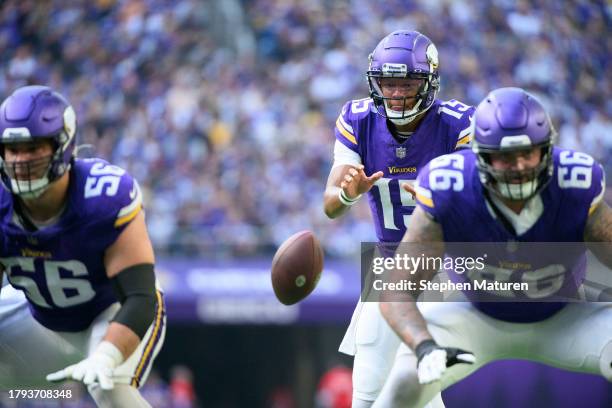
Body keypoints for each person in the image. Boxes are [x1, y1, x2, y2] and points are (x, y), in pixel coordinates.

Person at [375, 87, 612, 407]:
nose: (518, 166)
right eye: (504, 156)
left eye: (527, 152)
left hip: (565, 316)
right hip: (474, 317)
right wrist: (424, 346)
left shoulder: (576, 183)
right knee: (405, 380)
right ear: (481, 155)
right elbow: (395, 290)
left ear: (546, 150)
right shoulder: (449, 188)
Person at [323, 30, 474, 408]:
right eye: (387, 84)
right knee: (378, 389)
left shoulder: (458, 125)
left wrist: (441, 202)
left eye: (405, 83)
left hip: (443, 265)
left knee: (406, 384)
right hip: (388, 261)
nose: (394, 93)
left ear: (428, 82)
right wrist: (348, 193)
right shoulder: (358, 119)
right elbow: (330, 205)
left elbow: (481, 210)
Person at [0, 85, 166, 407]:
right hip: (41, 318)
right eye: (12, 149)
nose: (20, 160)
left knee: (107, 387)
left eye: (32, 147)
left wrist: (106, 355)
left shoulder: (104, 197)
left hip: (113, 312)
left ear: (62, 145)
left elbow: (140, 297)